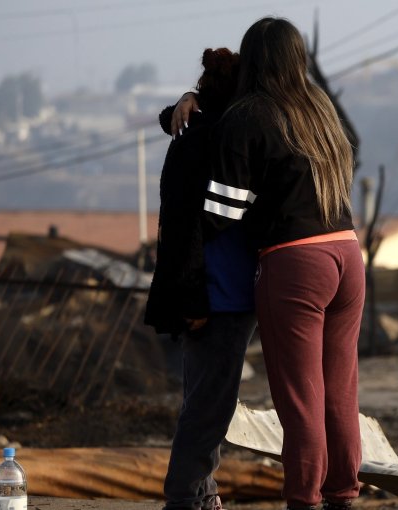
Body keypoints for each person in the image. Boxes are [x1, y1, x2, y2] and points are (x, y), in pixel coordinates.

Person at [178, 17, 365, 510]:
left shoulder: (249, 115)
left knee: (301, 399)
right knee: (339, 392)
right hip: (347, 253)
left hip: (295, 263)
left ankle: (304, 500)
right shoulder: (319, 107)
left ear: (252, 60)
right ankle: (343, 496)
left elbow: (222, 212)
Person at [145, 47, 258, 510]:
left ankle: (201, 492)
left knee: (202, 400)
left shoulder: (194, 134)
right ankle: (186, 497)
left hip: (211, 292)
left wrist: (186, 101)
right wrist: (194, 299)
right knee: (210, 408)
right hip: (219, 295)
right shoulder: (219, 139)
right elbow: (189, 226)